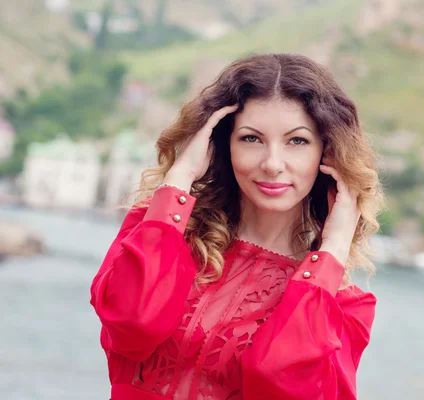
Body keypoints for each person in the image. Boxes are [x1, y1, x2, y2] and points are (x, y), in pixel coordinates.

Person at [90, 53, 384, 400]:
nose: (273, 164)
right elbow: (132, 325)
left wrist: (332, 250)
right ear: (220, 145)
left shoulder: (341, 305)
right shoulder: (159, 234)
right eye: (251, 138)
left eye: (297, 141)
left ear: (327, 153)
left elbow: (280, 385)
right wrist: (179, 177)